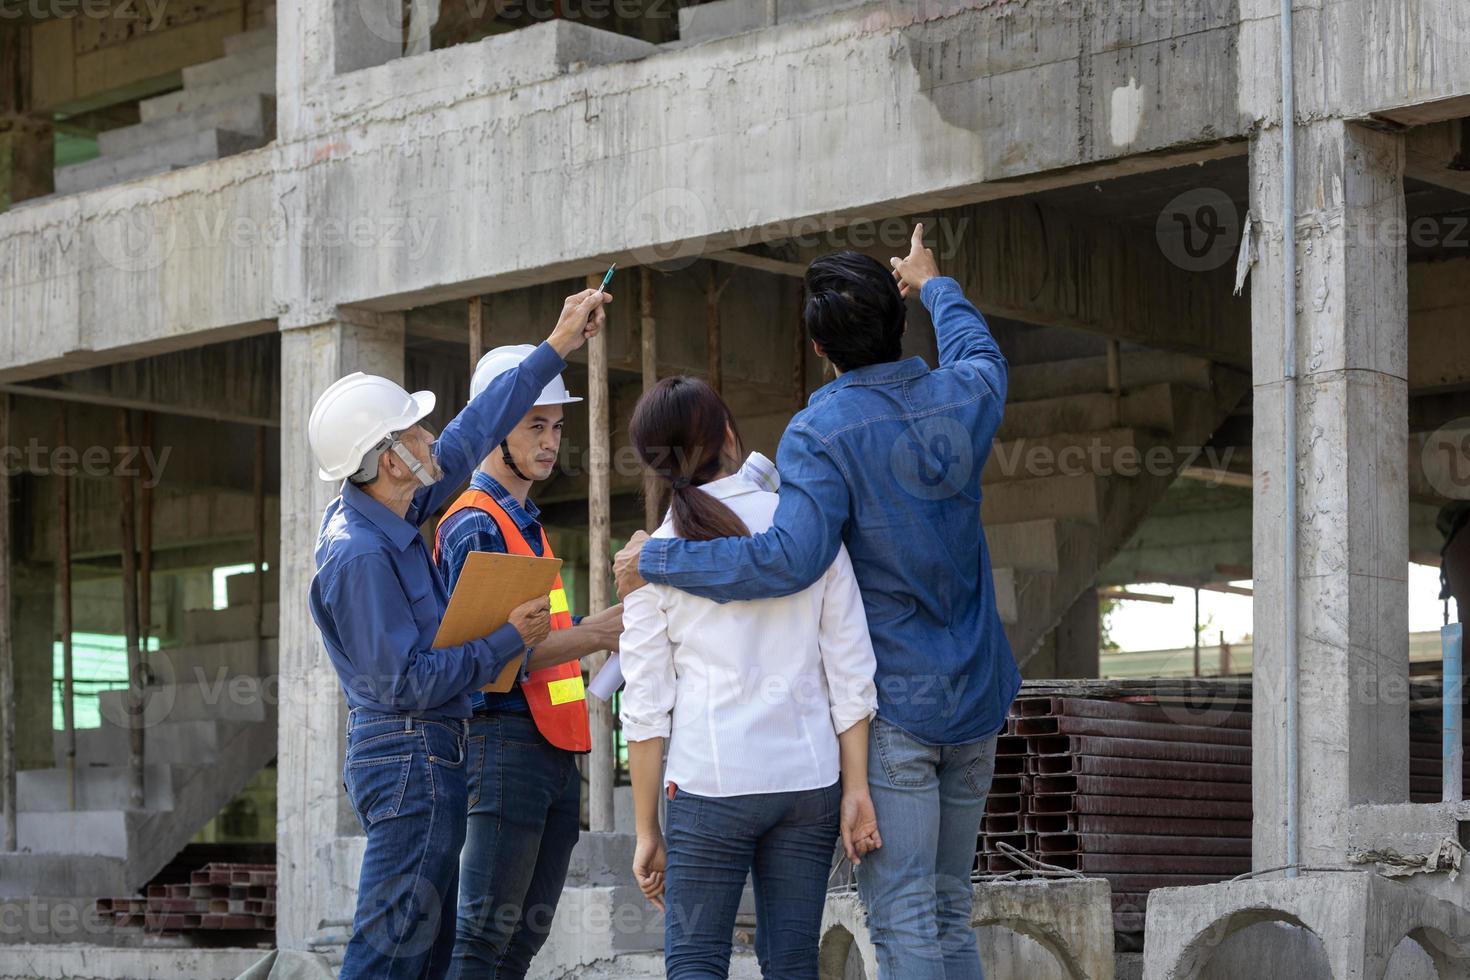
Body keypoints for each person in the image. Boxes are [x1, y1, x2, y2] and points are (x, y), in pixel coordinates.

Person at [614, 226, 1020, 980]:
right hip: (978, 695)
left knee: (903, 923)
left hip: (897, 706)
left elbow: (788, 559)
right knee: (948, 911)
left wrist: (659, 558)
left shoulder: (821, 430)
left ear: (823, 352)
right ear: (898, 326)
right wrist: (934, 282)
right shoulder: (965, 392)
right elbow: (981, 353)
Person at [307, 286, 611, 980]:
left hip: (429, 755)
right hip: (409, 756)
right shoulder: (360, 552)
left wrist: (557, 344)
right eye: (415, 433)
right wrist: (507, 638)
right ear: (389, 459)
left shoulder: (392, 507)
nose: (430, 442)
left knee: (425, 954)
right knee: (388, 954)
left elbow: (476, 428)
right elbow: (407, 682)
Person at [617, 376, 880, 980]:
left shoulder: (648, 558)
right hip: (807, 782)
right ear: (730, 438)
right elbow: (850, 669)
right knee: (792, 963)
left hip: (710, 786)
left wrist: (645, 831)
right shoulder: (804, 532)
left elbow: (647, 705)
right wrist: (856, 788)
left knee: (696, 963)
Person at [436, 344, 624, 980]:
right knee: (482, 939)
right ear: (496, 427)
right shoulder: (474, 523)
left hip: (551, 749)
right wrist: (600, 632)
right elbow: (493, 658)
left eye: (557, 426)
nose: (550, 442)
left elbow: (539, 647)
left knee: (517, 945)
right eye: (534, 426)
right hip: (502, 743)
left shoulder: (525, 523)